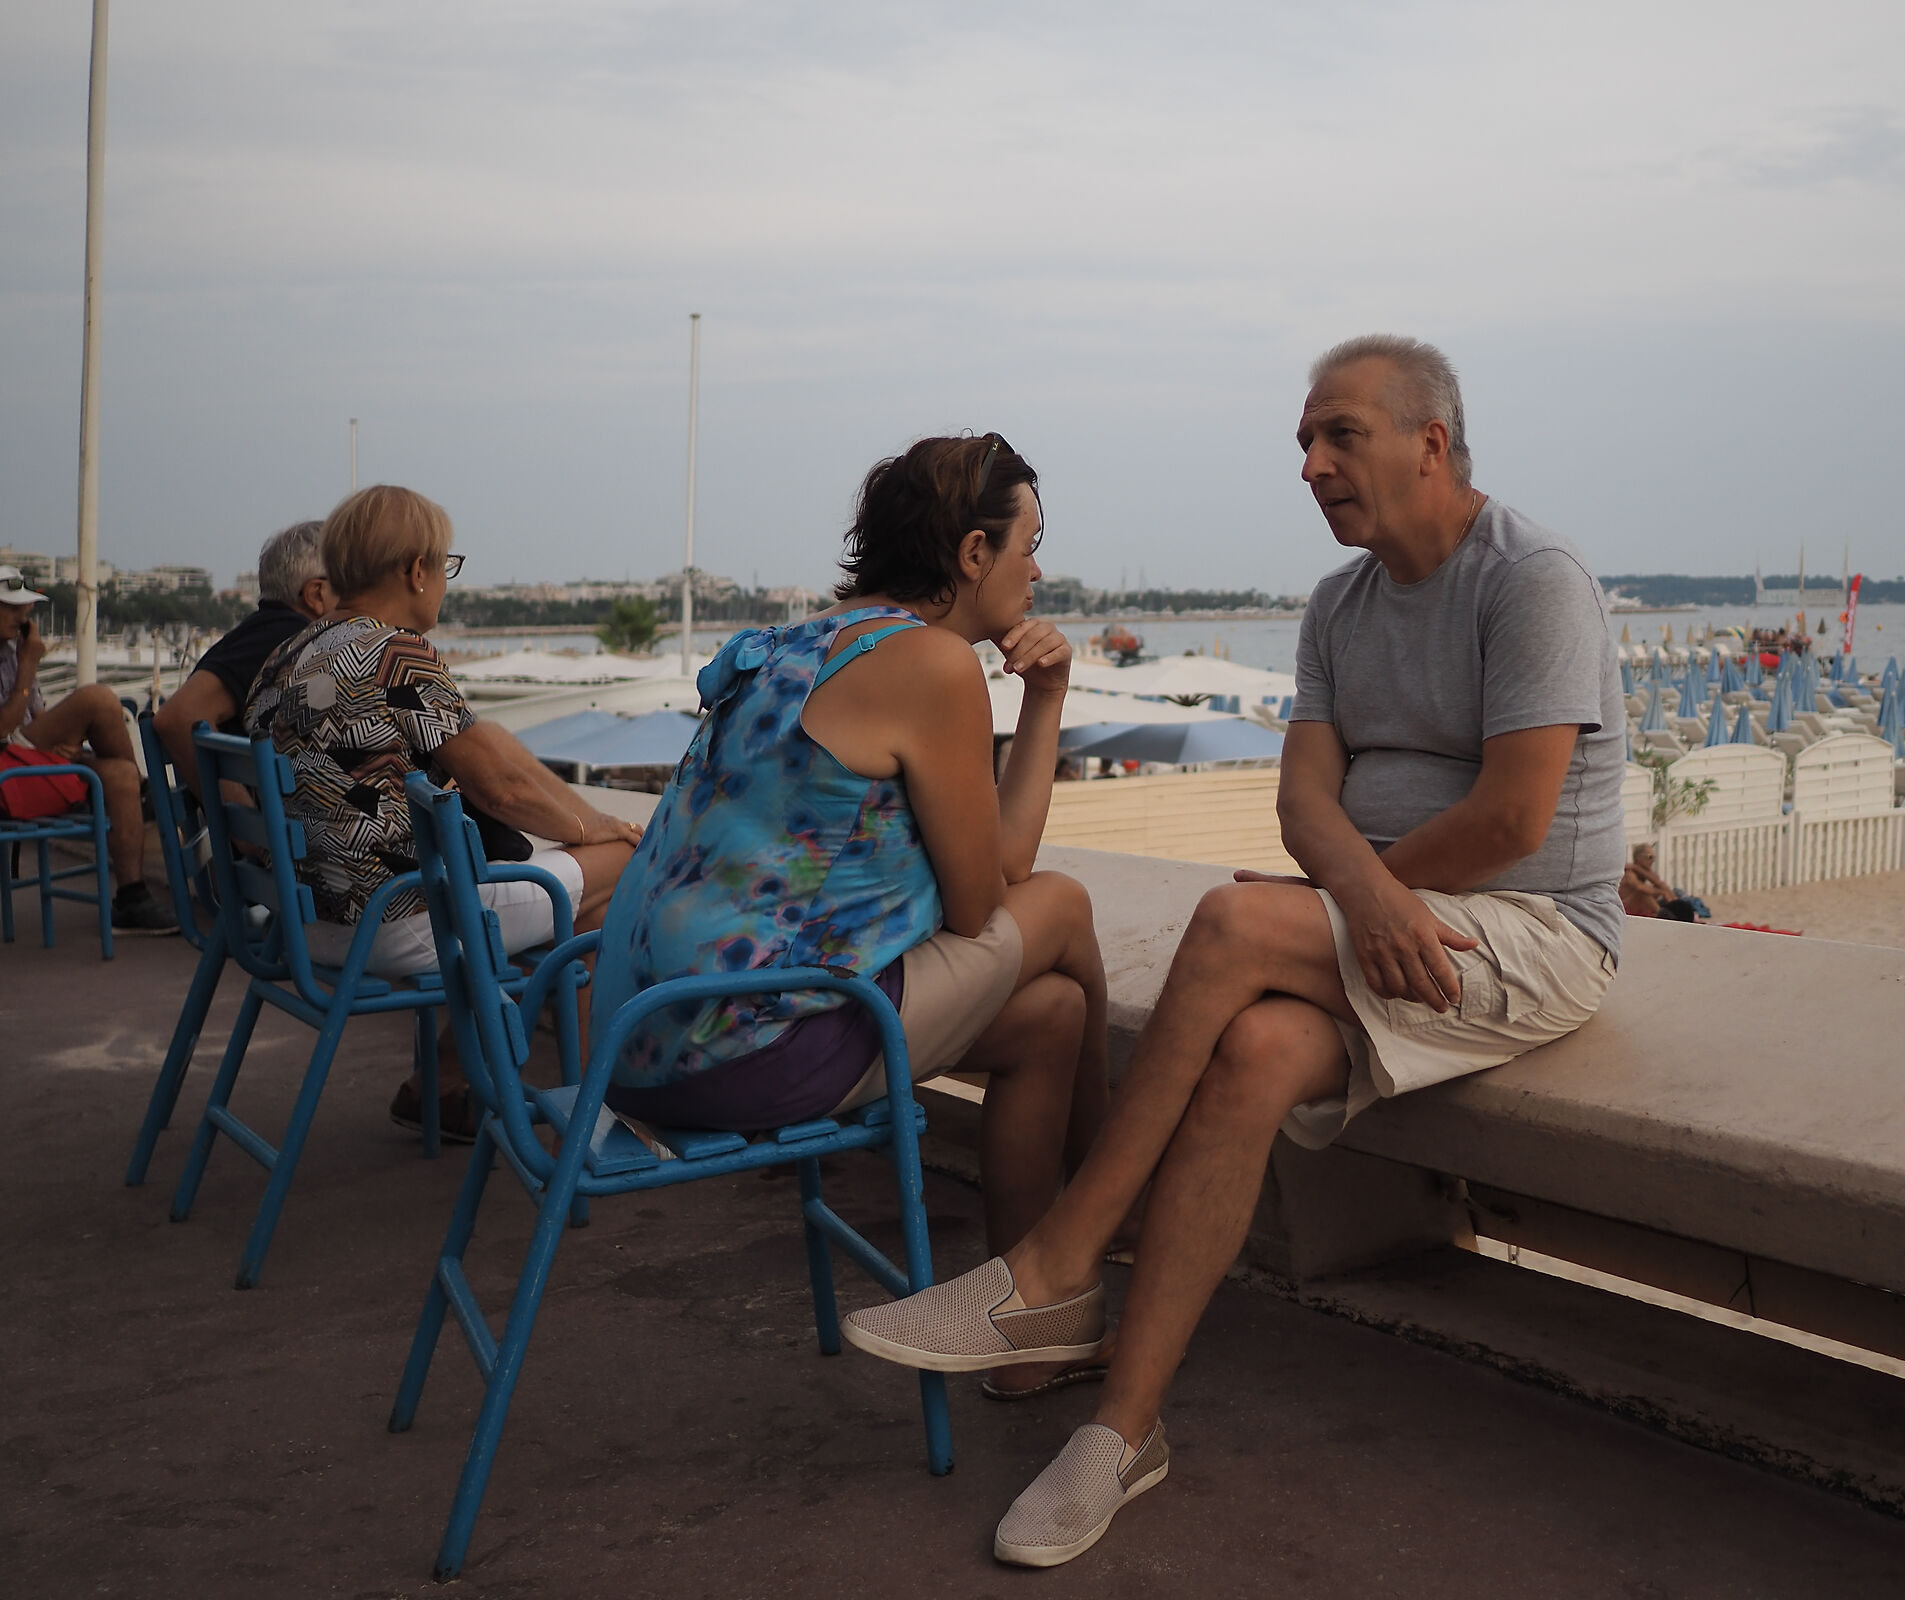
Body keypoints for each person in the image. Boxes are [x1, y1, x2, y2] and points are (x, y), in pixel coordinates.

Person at [839, 336, 1626, 1566]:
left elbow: (1519, 819)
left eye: (1338, 437)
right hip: (1388, 919)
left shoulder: (1534, 580)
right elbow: (1304, 808)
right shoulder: (1340, 605)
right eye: (1303, 445)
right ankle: (1121, 1430)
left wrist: (1355, 891)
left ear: (1432, 442)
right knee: (1255, 1048)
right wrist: (1355, 889)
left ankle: (1052, 1265)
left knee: (1228, 921)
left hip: (1537, 930)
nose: (1310, 465)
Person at [591, 434, 1112, 1398]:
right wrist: (1049, 700)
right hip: (751, 1052)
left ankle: (1038, 1334)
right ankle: (1104, 1231)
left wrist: (1040, 693)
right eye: (1028, 544)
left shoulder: (798, 641)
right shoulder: (931, 667)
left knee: (1052, 1020)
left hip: (642, 1044)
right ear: (969, 554)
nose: (1038, 571)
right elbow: (985, 897)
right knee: (1068, 909)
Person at [243, 486, 643, 1141]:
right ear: (415, 570)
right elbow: (503, 786)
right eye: (446, 567)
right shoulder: (391, 651)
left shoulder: (286, 655)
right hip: (386, 922)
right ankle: (593, 1111)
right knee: (620, 864)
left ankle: (449, 1086)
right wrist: (590, 828)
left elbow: (479, 759)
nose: (444, 586)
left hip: (298, 917)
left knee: (528, 890)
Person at [0, 565, 178, 933]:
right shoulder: (22, 660)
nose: (22, 616)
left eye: (24, 608)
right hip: (5, 769)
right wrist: (28, 667)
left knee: (119, 774)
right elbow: (3, 729)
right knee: (97, 698)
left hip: (23, 764)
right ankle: (152, 796)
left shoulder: (12, 653)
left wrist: (73, 753)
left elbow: (37, 719)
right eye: (11, 608)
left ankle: (132, 899)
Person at [155, 520, 337, 786]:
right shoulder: (284, 639)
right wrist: (242, 816)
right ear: (317, 594)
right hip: (264, 821)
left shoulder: (257, 632)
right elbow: (177, 718)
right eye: (351, 585)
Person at [1620, 843, 1705, 922]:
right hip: (1625, 908)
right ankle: (1662, 915)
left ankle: (1678, 911)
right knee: (1642, 893)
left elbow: (1658, 882)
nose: (1653, 860)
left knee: (1662, 886)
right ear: (1639, 858)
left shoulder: (1641, 871)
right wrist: (1661, 892)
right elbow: (1639, 887)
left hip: (1639, 907)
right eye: (1650, 857)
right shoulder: (1629, 873)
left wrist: (1636, 868)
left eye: (1654, 857)